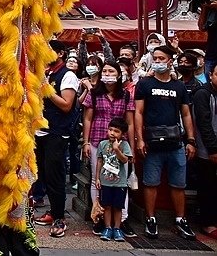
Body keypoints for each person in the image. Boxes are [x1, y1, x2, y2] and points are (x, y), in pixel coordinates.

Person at [134, 44, 197, 240]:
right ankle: (151, 219)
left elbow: (186, 114)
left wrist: (191, 140)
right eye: (156, 58)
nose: (158, 62)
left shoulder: (179, 86)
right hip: (152, 143)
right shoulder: (144, 84)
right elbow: (138, 112)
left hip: (176, 143)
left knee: (178, 184)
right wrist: (140, 139)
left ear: (170, 61)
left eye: (162, 58)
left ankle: (180, 219)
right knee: (150, 182)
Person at [82, 60, 136, 237]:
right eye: (104, 71)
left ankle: (121, 221)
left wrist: (132, 148)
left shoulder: (126, 95)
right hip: (98, 140)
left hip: (121, 145)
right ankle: (99, 217)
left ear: (119, 75)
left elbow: (130, 121)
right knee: (97, 180)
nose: (107, 74)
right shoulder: (94, 93)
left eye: (111, 71)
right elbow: (88, 118)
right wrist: (86, 142)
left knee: (121, 181)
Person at [34, 39, 79, 239]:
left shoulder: (67, 75)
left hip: (57, 133)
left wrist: (46, 88)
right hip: (40, 131)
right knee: (42, 174)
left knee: (55, 176)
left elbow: (66, 105)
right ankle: (52, 212)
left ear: (60, 53)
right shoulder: (47, 73)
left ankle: (60, 217)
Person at [94, 117, 133, 242]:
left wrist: (117, 149)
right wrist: (97, 178)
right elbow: (99, 161)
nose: (112, 133)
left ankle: (117, 228)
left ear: (122, 134)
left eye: (116, 131)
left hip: (119, 182)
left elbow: (125, 160)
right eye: (110, 130)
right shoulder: (102, 144)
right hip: (105, 181)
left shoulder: (124, 145)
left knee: (117, 206)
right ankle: (107, 227)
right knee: (106, 205)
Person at [193, 63, 217, 239]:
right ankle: (207, 223)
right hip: (207, 151)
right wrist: (212, 148)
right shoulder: (203, 94)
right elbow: (204, 124)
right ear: (211, 75)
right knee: (208, 187)